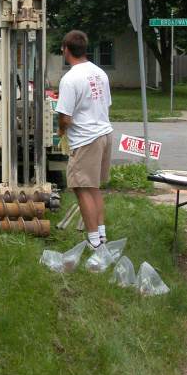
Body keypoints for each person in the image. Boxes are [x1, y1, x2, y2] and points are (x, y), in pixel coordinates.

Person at [56, 30, 113, 250]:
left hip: (86, 139)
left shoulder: (70, 78)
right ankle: (101, 235)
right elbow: (105, 104)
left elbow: (65, 117)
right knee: (93, 187)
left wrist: (61, 134)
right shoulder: (100, 73)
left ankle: (94, 243)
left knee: (81, 189)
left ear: (66, 49)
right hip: (104, 133)